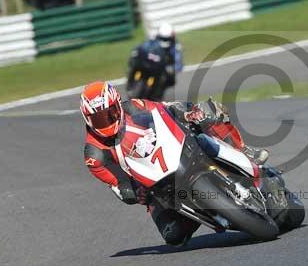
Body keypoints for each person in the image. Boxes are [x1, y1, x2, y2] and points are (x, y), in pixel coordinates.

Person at [81, 80, 270, 246]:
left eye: (110, 113)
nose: (105, 121)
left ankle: (243, 150)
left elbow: (165, 108)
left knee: (208, 111)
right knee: (174, 235)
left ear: (118, 104)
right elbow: (118, 185)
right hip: (152, 186)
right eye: (98, 119)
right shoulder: (94, 154)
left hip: (175, 149)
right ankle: (211, 214)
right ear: (87, 119)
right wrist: (135, 192)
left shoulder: (133, 107)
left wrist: (188, 113)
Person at [126, 22, 183, 96]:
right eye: (163, 39)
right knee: (134, 63)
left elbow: (178, 62)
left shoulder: (175, 46)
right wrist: (136, 52)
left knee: (170, 79)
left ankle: (157, 96)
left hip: (160, 68)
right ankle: (130, 84)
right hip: (146, 63)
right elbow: (141, 47)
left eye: (167, 39)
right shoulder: (152, 41)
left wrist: (172, 68)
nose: (165, 42)